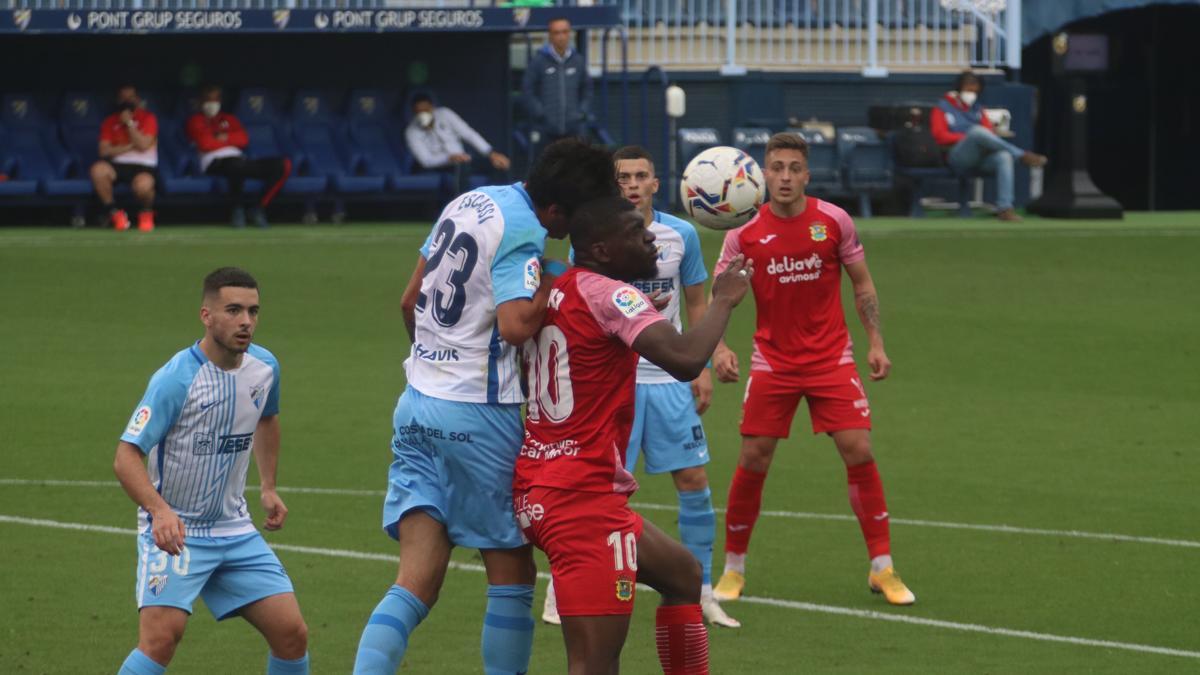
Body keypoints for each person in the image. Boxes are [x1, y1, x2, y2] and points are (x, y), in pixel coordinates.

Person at [351, 139, 619, 675]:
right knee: (514, 574)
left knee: (415, 581)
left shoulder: (471, 201)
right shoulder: (524, 227)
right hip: (479, 413)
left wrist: (435, 363)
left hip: (417, 404)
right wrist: (557, 277)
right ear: (556, 210)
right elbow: (516, 324)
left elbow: (410, 301)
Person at [515, 196, 753, 674]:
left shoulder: (561, 286)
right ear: (602, 249)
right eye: (634, 232)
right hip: (580, 500)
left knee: (683, 575)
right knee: (595, 665)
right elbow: (685, 360)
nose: (649, 236)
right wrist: (724, 299)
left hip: (545, 483)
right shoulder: (612, 296)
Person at [711, 132, 917, 608]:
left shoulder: (833, 221)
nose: (784, 177)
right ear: (763, 173)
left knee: (858, 448)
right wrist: (717, 347)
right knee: (754, 457)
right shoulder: (743, 231)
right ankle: (734, 568)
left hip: (831, 358)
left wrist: (877, 343)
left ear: (808, 174)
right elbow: (722, 295)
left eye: (793, 169)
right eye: (776, 167)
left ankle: (882, 566)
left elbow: (862, 283)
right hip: (773, 361)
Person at [539, 145, 739, 630]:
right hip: (617, 381)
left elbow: (695, 300)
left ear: (655, 183)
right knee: (603, 489)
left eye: (640, 176)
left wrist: (710, 361)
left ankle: (705, 590)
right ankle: (559, 590)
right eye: (622, 176)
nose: (631, 183)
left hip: (667, 378)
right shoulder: (598, 240)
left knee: (693, 481)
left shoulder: (681, 235)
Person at [112, 267, 309, 675]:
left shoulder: (265, 368)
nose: (246, 322)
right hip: (177, 531)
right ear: (206, 315)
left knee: (292, 634)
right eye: (233, 310)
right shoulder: (175, 379)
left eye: (253, 311)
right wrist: (160, 511)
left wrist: (268, 486)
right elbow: (126, 456)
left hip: (234, 529)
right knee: (160, 642)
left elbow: (267, 419)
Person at [931, 70, 1048, 222]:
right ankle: (1021, 155)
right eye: (968, 89)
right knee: (976, 131)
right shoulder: (942, 107)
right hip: (956, 155)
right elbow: (939, 136)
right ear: (959, 88)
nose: (971, 93)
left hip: (980, 157)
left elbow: (989, 133)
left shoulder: (978, 110)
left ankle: (1005, 209)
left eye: (975, 90)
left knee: (1003, 157)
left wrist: (978, 137)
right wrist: (969, 137)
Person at [185, 84, 292, 229]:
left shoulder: (229, 119)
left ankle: (258, 208)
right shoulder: (195, 121)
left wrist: (223, 137)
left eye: (215, 99)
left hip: (240, 160)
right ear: (201, 101)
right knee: (235, 165)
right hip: (213, 162)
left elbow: (243, 139)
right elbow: (205, 144)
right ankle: (237, 209)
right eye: (208, 99)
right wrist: (227, 139)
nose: (212, 103)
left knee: (283, 165)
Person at [404, 92, 511, 199]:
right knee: (461, 168)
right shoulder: (411, 131)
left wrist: (491, 153)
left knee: (497, 163)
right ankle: (462, 205)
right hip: (438, 166)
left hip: (463, 160)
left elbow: (469, 134)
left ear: (432, 107)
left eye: (426, 110)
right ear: (414, 112)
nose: (423, 114)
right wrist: (449, 158)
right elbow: (426, 161)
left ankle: (498, 200)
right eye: (419, 112)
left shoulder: (445, 114)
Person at [91, 85, 158, 232]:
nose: (127, 101)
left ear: (137, 100)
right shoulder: (110, 121)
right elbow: (103, 151)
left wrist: (129, 123)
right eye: (123, 98)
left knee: (143, 186)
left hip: (144, 165)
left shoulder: (148, 118)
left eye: (130, 98)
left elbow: (143, 145)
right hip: (118, 165)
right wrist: (128, 148)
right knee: (98, 170)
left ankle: (146, 213)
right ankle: (114, 213)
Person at [521, 17, 591, 150]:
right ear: (550, 35)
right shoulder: (539, 61)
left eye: (564, 32)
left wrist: (582, 112)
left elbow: (587, 89)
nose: (561, 37)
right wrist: (540, 113)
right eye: (557, 32)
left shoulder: (578, 61)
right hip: (546, 129)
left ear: (569, 34)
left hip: (573, 128)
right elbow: (527, 90)